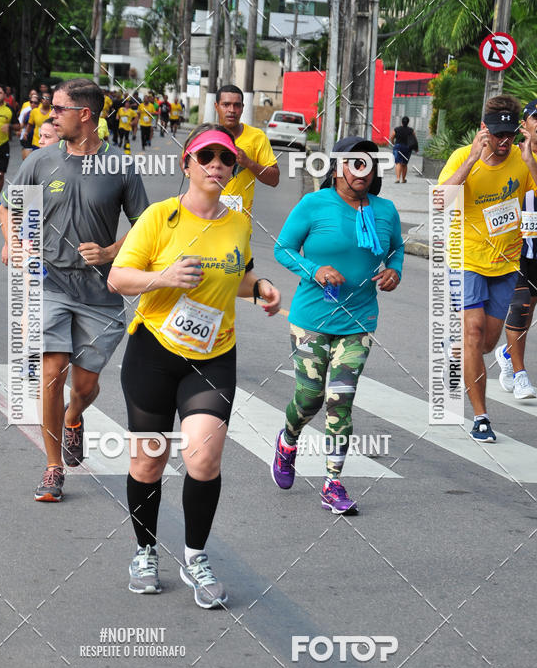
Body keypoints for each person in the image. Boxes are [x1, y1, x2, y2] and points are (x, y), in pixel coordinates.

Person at [107, 123, 281, 608]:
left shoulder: (237, 221)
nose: (217, 167)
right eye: (206, 157)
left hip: (213, 355)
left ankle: (196, 557)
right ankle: (144, 552)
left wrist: (262, 287)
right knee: (149, 460)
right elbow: (117, 279)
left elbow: (238, 278)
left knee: (203, 458)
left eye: (225, 160)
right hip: (154, 353)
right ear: (187, 165)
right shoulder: (160, 218)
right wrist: (163, 277)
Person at [0, 78, 149, 502]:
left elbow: (144, 228)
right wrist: (13, 241)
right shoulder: (40, 161)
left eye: (59, 109)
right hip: (50, 283)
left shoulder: (120, 165)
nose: (51, 116)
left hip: (100, 293)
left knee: (83, 387)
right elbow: (10, 205)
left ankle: (74, 418)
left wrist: (110, 252)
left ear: (85, 114)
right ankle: (52, 467)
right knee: (51, 374)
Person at [272, 137, 403, 514]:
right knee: (310, 397)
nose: (361, 170)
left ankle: (333, 482)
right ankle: (288, 440)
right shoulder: (314, 205)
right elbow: (282, 248)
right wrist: (315, 269)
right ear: (336, 168)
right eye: (353, 162)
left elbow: (395, 249)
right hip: (311, 319)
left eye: (368, 163)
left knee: (340, 399)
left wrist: (394, 270)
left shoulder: (385, 210)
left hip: (358, 320)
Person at [438, 95, 537, 442]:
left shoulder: (524, 161)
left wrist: (531, 162)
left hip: (506, 264)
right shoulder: (462, 158)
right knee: (474, 331)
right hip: (465, 260)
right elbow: (440, 201)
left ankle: (468, 353)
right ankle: (481, 417)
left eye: (510, 134)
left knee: (486, 341)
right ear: (483, 131)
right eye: (497, 135)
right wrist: (470, 161)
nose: (504, 141)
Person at [494, 97, 537, 399]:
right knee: (521, 309)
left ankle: (507, 356)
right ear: (524, 124)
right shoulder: (508, 156)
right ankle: (520, 374)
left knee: (529, 311)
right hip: (519, 246)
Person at [215, 84, 279, 218]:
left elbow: (274, 179)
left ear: (243, 108)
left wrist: (248, 163)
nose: (232, 110)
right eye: (226, 105)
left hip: (238, 222)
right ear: (216, 106)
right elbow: (185, 165)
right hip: (204, 218)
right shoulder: (204, 134)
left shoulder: (257, 137)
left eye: (237, 105)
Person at [390, 116, 418, 183]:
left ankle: (397, 178)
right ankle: (403, 179)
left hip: (398, 147)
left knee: (398, 163)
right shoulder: (411, 130)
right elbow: (415, 140)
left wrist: (393, 143)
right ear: (408, 122)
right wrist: (416, 148)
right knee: (404, 164)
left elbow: (392, 137)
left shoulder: (396, 129)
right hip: (407, 148)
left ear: (401, 122)